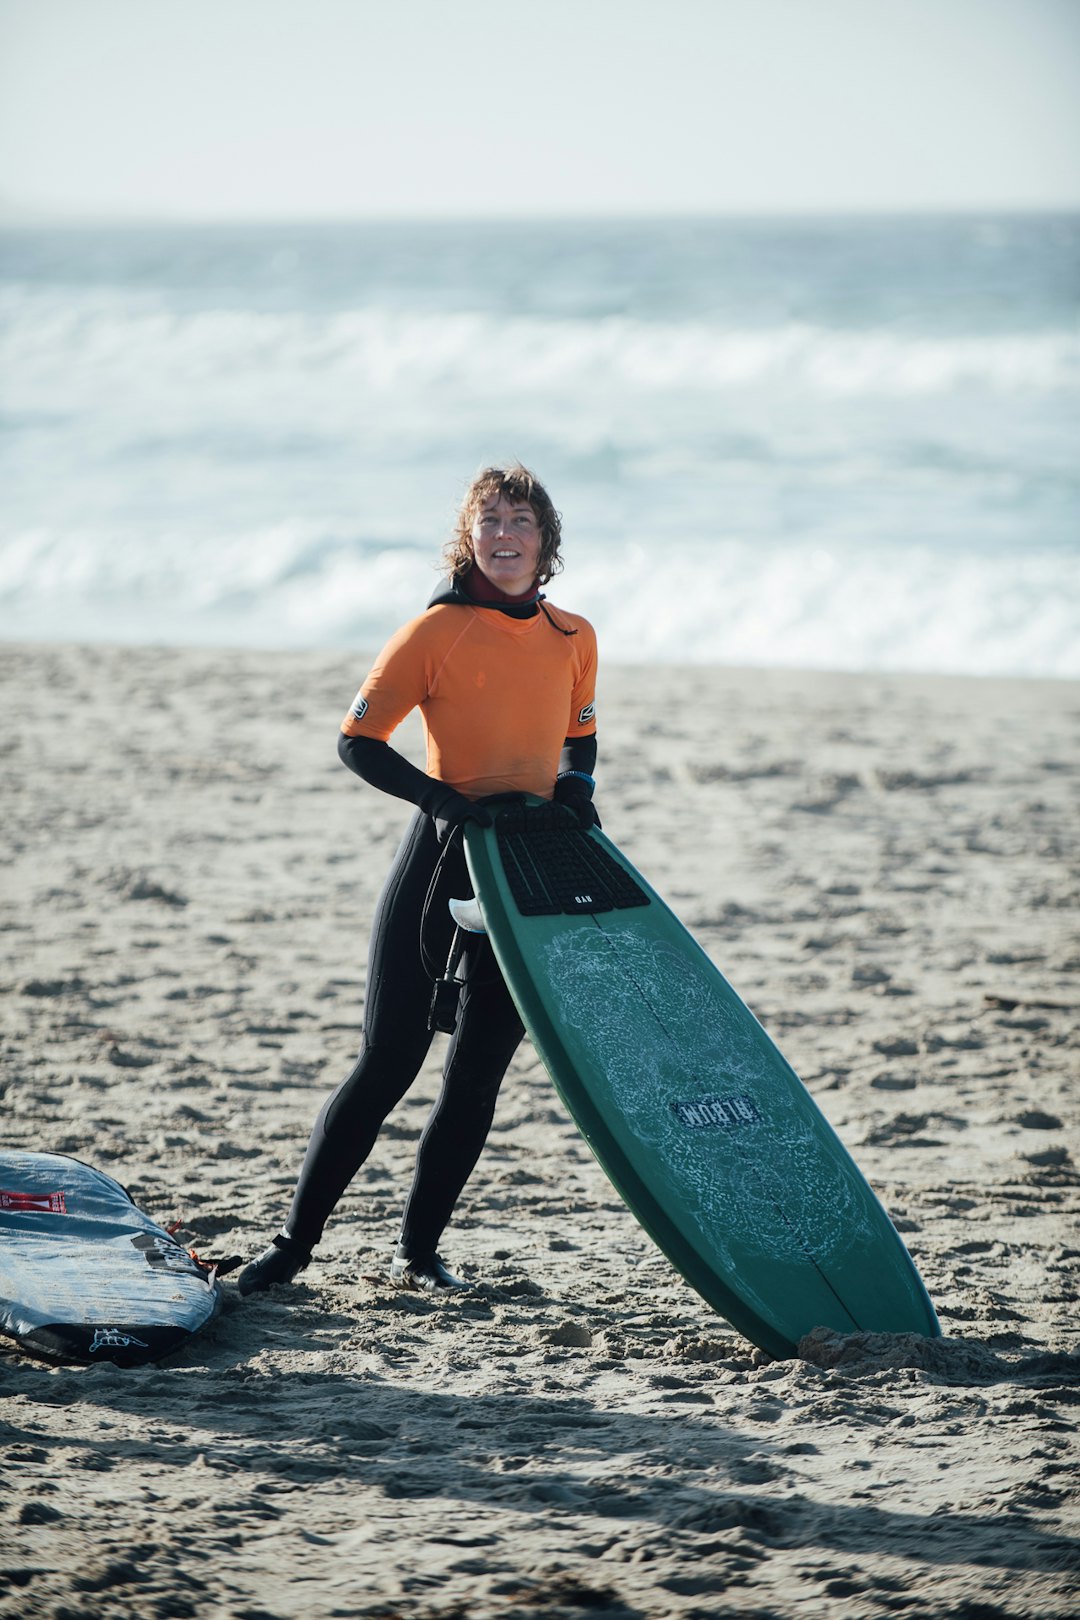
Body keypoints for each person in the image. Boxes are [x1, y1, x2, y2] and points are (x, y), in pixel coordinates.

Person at [238, 465, 599, 1296]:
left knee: (478, 1074)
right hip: (443, 861)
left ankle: (420, 1252)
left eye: (521, 520)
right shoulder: (435, 633)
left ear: (545, 541)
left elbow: (581, 735)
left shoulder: (574, 636)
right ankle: (294, 1247)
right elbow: (358, 742)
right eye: (490, 521)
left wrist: (577, 788)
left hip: (526, 870)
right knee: (390, 1059)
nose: (505, 535)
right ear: (469, 538)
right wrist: (439, 802)